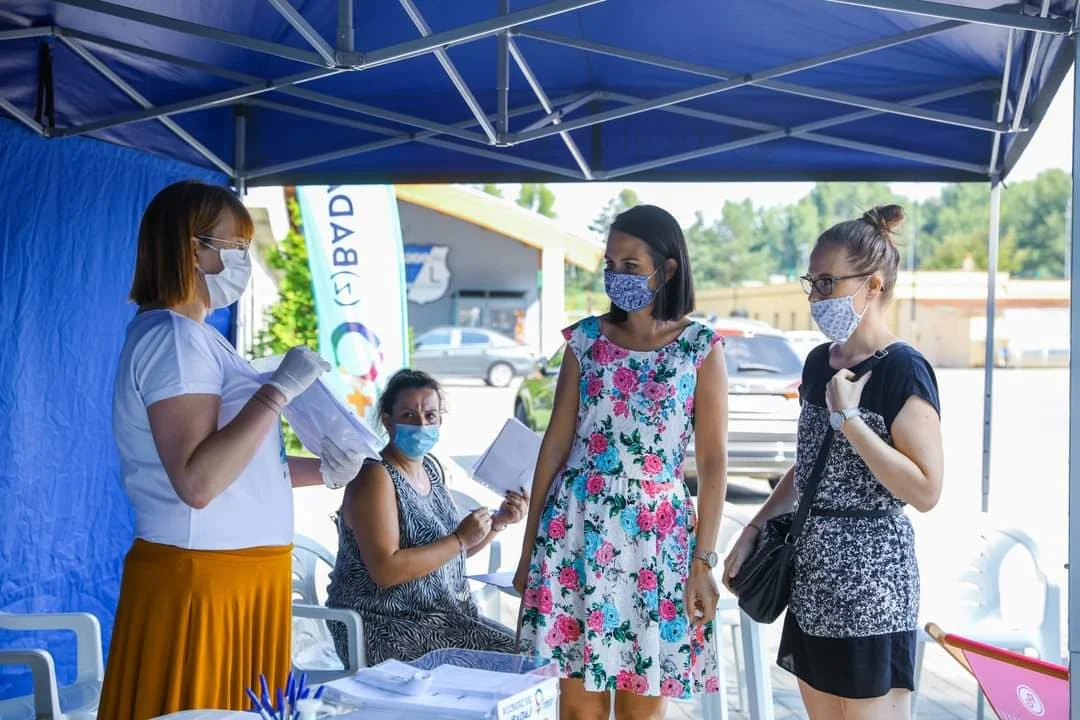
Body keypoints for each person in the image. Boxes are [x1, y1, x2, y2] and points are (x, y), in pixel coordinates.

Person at [100, 180, 363, 717]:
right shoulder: (173, 339)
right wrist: (275, 392)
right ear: (191, 248)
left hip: (241, 576)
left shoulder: (200, 336)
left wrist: (325, 471)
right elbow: (198, 482)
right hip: (206, 580)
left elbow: (237, 465)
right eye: (235, 246)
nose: (245, 259)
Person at [723, 205, 944, 720]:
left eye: (827, 283)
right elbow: (809, 467)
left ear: (872, 285)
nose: (815, 297)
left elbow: (927, 491)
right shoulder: (820, 361)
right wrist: (754, 526)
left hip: (872, 582)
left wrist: (850, 420)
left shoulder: (903, 369)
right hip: (813, 577)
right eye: (812, 283)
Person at [514, 205, 728, 720]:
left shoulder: (700, 348)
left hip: (659, 541)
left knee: (641, 711)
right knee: (578, 710)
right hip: (575, 532)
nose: (616, 276)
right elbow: (554, 448)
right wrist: (529, 552)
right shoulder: (585, 340)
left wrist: (703, 562)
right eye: (610, 264)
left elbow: (715, 461)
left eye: (630, 266)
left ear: (668, 269)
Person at [326, 368, 529, 665]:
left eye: (430, 416)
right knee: (520, 663)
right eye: (408, 415)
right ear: (387, 420)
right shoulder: (375, 476)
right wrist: (459, 538)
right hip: (385, 624)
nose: (421, 424)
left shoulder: (430, 468)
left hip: (440, 617)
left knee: (532, 651)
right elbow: (387, 570)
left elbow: (445, 555)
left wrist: (497, 523)